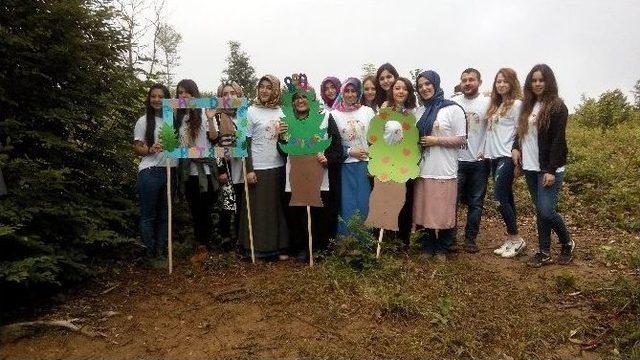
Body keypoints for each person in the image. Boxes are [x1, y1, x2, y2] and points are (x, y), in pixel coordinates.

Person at [512, 64, 573, 267]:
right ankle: (544, 251)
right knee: (540, 210)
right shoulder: (527, 106)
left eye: (541, 80)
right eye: (534, 80)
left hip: (548, 168)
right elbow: (520, 133)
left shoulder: (557, 107)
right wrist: (515, 147)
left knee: (546, 211)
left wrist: (551, 170)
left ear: (548, 82)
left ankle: (567, 242)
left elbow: (558, 140)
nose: (537, 83)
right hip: (530, 166)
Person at [281, 85, 344, 260]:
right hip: (296, 173)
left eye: (304, 97)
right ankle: (302, 247)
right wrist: (281, 137)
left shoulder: (325, 118)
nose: (300, 101)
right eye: (296, 98)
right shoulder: (287, 121)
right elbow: (282, 151)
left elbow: (337, 147)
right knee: (299, 212)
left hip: (319, 174)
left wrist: (328, 159)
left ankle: (320, 248)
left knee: (319, 212)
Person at [413, 71, 466, 260]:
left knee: (443, 210)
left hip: (444, 169)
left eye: (427, 84)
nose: (424, 88)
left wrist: (437, 140)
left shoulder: (452, 109)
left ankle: (443, 247)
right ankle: (427, 246)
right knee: (425, 209)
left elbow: (461, 139)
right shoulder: (419, 111)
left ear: (436, 84)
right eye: (420, 86)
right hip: (423, 168)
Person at [240, 75, 289, 260]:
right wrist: (249, 169)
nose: (265, 90)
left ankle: (279, 247)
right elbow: (244, 143)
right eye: (262, 87)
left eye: (269, 87)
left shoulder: (282, 112)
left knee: (277, 209)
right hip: (258, 168)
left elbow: (285, 142)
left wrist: (285, 136)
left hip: (279, 166)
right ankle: (257, 249)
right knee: (258, 210)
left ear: (276, 90)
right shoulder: (249, 112)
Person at [174, 79, 220, 255]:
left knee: (206, 208)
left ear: (194, 94)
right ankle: (200, 243)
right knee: (194, 208)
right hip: (188, 170)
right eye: (180, 92)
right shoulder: (178, 117)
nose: (184, 95)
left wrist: (210, 120)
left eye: (187, 92)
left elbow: (214, 138)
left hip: (205, 170)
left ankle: (206, 243)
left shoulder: (203, 112)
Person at [484, 68, 526, 258]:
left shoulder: (517, 104)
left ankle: (517, 239)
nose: (501, 84)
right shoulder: (497, 105)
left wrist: (517, 150)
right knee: (507, 197)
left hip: (506, 157)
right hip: (493, 156)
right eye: (498, 81)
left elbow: (521, 129)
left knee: (500, 198)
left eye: (504, 81)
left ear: (512, 83)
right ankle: (511, 238)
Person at [330, 78, 375, 235]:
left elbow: (374, 139)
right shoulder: (334, 115)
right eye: (347, 91)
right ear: (342, 92)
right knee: (347, 204)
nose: (350, 94)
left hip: (365, 165)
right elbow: (331, 144)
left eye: (353, 91)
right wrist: (349, 151)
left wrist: (374, 162)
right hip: (345, 166)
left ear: (359, 92)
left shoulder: (368, 112)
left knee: (364, 203)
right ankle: (346, 242)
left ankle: (365, 241)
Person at [452, 68, 490, 253]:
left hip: (479, 162)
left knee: (476, 203)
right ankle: (450, 238)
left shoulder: (488, 102)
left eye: (471, 80)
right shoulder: (453, 103)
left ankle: (470, 239)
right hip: (456, 160)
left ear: (479, 82)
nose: (467, 83)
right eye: (464, 80)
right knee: (453, 201)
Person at [133, 83, 172, 262]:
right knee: (149, 215)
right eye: (153, 96)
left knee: (165, 214)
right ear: (149, 99)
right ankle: (149, 252)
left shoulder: (172, 119)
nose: (156, 100)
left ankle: (161, 251)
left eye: (160, 96)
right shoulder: (143, 121)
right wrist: (150, 149)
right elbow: (137, 148)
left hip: (170, 171)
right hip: (150, 172)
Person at [214, 81, 245, 249]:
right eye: (225, 94)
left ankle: (241, 238)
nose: (229, 96)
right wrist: (220, 169)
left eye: (232, 93)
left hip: (242, 165)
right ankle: (225, 238)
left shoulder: (244, 115)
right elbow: (215, 144)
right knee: (227, 203)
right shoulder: (217, 116)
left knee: (241, 202)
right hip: (226, 166)